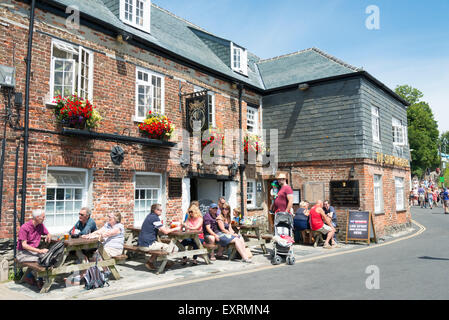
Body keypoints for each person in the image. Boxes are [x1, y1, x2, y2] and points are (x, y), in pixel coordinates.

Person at [137, 203, 180, 271]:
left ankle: (150, 262)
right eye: (159, 210)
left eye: (161, 210)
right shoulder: (154, 218)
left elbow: (161, 229)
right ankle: (165, 262)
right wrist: (176, 229)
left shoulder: (149, 216)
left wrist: (167, 229)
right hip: (147, 245)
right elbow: (165, 232)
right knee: (174, 248)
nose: (161, 211)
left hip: (141, 244)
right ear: (154, 210)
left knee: (159, 245)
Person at [16, 209, 52, 288]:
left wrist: (49, 235)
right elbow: (24, 245)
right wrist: (39, 250)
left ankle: (31, 276)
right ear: (37, 217)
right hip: (22, 253)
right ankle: (39, 279)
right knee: (40, 260)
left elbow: (47, 232)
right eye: (43, 217)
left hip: (33, 252)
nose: (44, 218)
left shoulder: (40, 225)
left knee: (47, 256)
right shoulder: (25, 227)